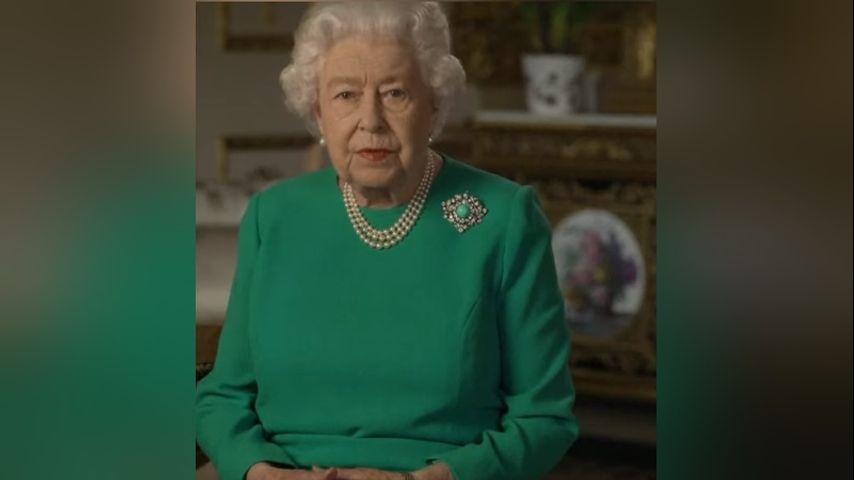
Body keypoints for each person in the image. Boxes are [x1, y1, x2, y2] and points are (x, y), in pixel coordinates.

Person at [196, 3, 579, 480]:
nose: (371, 120)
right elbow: (223, 396)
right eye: (346, 95)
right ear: (317, 112)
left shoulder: (502, 218)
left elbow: (545, 418)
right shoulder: (273, 216)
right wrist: (261, 472)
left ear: (433, 105)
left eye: (395, 93)